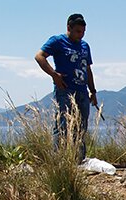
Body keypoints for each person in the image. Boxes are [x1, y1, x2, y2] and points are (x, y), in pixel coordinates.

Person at [34, 13, 97, 162]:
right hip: (65, 90)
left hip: (82, 91)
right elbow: (39, 56)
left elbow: (87, 69)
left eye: (83, 32)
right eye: (77, 31)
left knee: (81, 127)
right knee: (63, 125)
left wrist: (93, 91)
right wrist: (54, 75)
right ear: (69, 28)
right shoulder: (57, 41)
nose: (80, 35)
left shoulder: (84, 45)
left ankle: (78, 160)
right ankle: (59, 160)